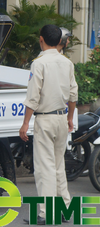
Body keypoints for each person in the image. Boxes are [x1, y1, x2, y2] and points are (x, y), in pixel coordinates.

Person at [19, 24, 77, 224]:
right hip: (62, 118)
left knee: (45, 169)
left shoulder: (39, 63)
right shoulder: (67, 62)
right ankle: (66, 209)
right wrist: (70, 118)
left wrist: (25, 123)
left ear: (41, 39)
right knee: (58, 166)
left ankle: (45, 214)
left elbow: (33, 97)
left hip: (44, 119)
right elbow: (73, 94)